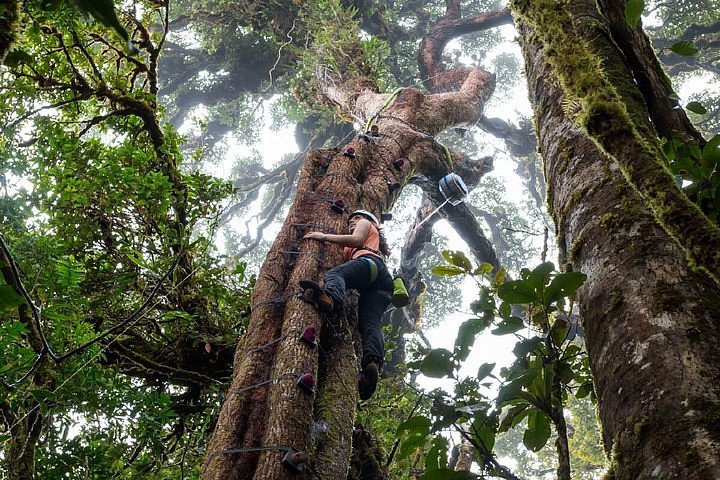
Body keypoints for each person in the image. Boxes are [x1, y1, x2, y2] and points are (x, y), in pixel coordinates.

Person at [300, 209, 393, 400]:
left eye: (356, 218)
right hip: (382, 284)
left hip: (369, 264)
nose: (352, 222)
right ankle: (373, 364)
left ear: (367, 220)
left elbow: (357, 240)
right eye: (350, 221)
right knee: (370, 323)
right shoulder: (374, 242)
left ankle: (330, 298)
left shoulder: (367, 225)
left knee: (334, 274)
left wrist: (323, 236)